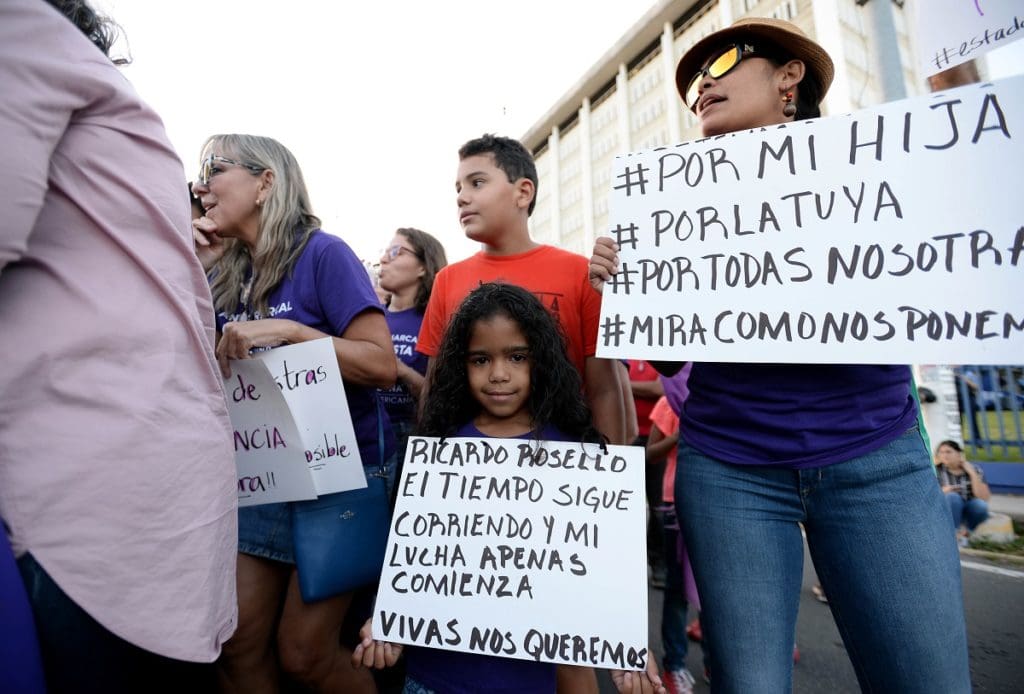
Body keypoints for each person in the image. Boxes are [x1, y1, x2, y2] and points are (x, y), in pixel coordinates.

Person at [589, 17, 971, 693]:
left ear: (789, 75)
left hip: (874, 459)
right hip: (730, 470)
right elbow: (669, 358)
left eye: (724, 61)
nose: (704, 84)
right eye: (694, 83)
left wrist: (964, 90)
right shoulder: (677, 204)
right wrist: (631, 288)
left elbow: (965, 184)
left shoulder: (869, 162)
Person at [1, 1, 239, 692]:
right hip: (147, 497)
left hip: (84, 501)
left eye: (222, 166)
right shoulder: (110, 107)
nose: (203, 181)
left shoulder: (18, 28)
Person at [354, 282, 664, 694]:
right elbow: (414, 564)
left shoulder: (576, 459)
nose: (498, 374)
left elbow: (597, 579)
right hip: (434, 679)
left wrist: (627, 644)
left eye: (517, 357)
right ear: (459, 367)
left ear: (543, 361)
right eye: (480, 359)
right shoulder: (439, 456)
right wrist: (389, 621)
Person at [191, 133, 397, 693]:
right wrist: (195, 266)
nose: (202, 184)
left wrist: (289, 331)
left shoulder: (323, 253)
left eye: (215, 168)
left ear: (265, 182)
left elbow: (381, 365)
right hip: (259, 480)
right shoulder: (222, 270)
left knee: (304, 656)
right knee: (236, 646)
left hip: (336, 480)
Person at [417, 134, 627, 448]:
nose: (461, 197)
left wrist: (612, 472)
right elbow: (434, 387)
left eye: (476, 183)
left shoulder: (580, 274)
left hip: (566, 462)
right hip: (468, 469)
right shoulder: (447, 280)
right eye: (458, 188)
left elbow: (605, 389)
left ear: (523, 192)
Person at [377, 228, 448, 468]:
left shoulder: (435, 321)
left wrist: (400, 369)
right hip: (372, 432)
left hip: (415, 435)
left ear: (423, 267)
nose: (384, 259)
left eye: (397, 251)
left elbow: (442, 397)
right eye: (385, 252)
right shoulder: (373, 319)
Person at [935, 439, 991, 545]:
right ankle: (954, 535)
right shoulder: (936, 471)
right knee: (952, 497)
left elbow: (984, 498)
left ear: (958, 454)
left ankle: (966, 533)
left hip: (969, 508)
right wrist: (943, 491)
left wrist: (972, 474)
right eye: (941, 452)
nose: (944, 455)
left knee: (981, 505)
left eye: (948, 452)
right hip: (946, 511)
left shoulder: (975, 469)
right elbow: (928, 497)